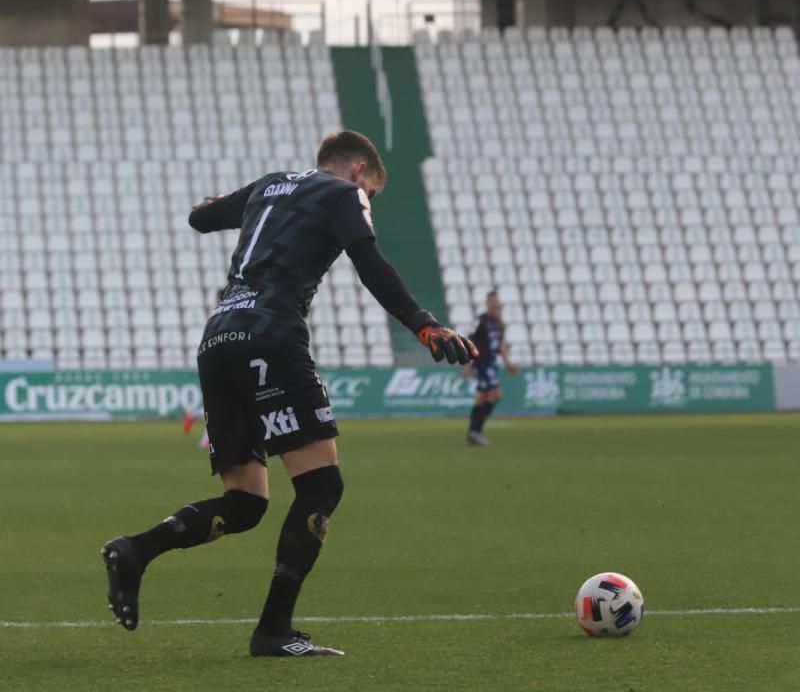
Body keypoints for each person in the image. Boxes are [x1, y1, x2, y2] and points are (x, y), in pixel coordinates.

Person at [101, 131, 476, 657]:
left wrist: (211, 204)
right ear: (360, 171)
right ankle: (273, 631)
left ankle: (135, 550)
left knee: (246, 502)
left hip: (218, 337)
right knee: (322, 487)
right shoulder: (345, 193)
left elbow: (199, 218)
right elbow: (368, 260)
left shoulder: (270, 184)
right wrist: (424, 324)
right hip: (271, 335)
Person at [462, 289, 518, 447]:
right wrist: (467, 365)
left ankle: (473, 434)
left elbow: (501, 345)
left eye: (496, 302)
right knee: (496, 394)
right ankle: (476, 432)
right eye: (491, 302)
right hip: (481, 363)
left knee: (482, 398)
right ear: (487, 304)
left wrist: (508, 363)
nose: (494, 305)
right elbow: (468, 341)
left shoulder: (499, 323)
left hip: (491, 363)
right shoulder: (480, 321)